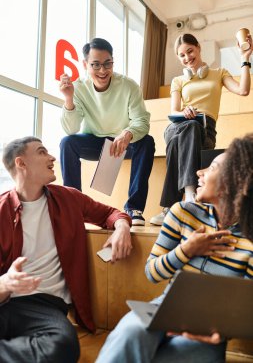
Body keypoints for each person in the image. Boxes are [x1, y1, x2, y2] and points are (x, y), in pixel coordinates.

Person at [96, 133, 253, 363]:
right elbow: (152, 273)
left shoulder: (250, 240)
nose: (199, 172)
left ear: (237, 183)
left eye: (213, 167)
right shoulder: (182, 213)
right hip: (163, 309)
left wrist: (221, 332)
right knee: (131, 333)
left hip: (208, 327)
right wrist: (187, 250)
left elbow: (245, 307)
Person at [0, 136, 132, 363]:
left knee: (62, 345)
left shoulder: (68, 197)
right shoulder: (1, 209)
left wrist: (122, 227)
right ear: (21, 163)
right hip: (5, 300)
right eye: (42, 152)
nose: (52, 157)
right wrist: (5, 283)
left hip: (45, 305)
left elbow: (110, 213)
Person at [150, 32, 253, 226]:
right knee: (189, 126)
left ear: (198, 47)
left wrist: (245, 59)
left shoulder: (219, 73)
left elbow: (243, 90)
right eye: (182, 55)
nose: (187, 58)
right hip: (178, 124)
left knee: (177, 143)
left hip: (205, 131)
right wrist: (185, 112)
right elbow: (173, 110)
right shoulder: (178, 81)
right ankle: (190, 196)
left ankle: (169, 207)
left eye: (190, 51)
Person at [59, 37, 155, 226]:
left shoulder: (129, 86)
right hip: (94, 141)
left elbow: (141, 121)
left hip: (123, 142)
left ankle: (134, 208)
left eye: (107, 64)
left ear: (113, 62)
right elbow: (71, 129)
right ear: (86, 64)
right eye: (95, 65)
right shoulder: (78, 88)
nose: (102, 71)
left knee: (147, 142)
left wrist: (128, 133)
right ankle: (74, 206)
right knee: (67, 143)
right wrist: (69, 98)